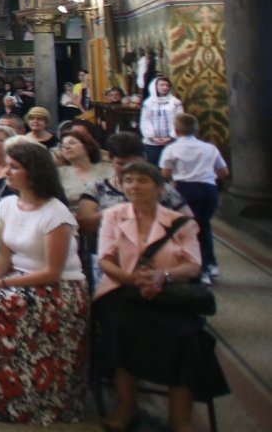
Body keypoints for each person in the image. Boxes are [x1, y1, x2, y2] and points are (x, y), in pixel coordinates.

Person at [0, 139, 88, 424]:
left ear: (34, 172)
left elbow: (52, 271)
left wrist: (0, 286)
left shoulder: (56, 213)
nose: (7, 172)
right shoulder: (7, 205)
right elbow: (5, 256)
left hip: (58, 288)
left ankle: (23, 395)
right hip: (18, 278)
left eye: (14, 167)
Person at [94, 161, 228, 432]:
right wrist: (133, 280)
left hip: (168, 294)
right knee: (118, 327)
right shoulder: (113, 216)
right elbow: (105, 259)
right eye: (128, 181)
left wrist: (161, 276)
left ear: (159, 188)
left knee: (185, 336)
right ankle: (126, 403)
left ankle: (180, 415)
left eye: (142, 180)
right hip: (123, 290)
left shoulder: (181, 223)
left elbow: (193, 265)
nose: (134, 186)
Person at [160, 113, 229, 281]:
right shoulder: (210, 148)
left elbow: (165, 174)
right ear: (196, 130)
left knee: (187, 229)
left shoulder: (172, 149)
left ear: (176, 130)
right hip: (208, 189)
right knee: (204, 225)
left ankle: (198, 269)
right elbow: (224, 172)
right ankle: (210, 264)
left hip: (185, 189)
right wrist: (206, 175)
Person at [57, 126, 114, 205]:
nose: (67, 147)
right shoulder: (59, 174)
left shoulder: (109, 170)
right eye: (63, 145)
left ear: (87, 146)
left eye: (72, 143)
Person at [140, 76, 183, 165]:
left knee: (170, 164)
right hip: (153, 142)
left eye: (167, 85)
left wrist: (171, 137)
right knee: (154, 164)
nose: (165, 87)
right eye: (162, 85)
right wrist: (151, 137)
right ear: (155, 87)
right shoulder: (148, 103)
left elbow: (179, 119)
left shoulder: (175, 102)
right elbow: (145, 120)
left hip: (171, 141)